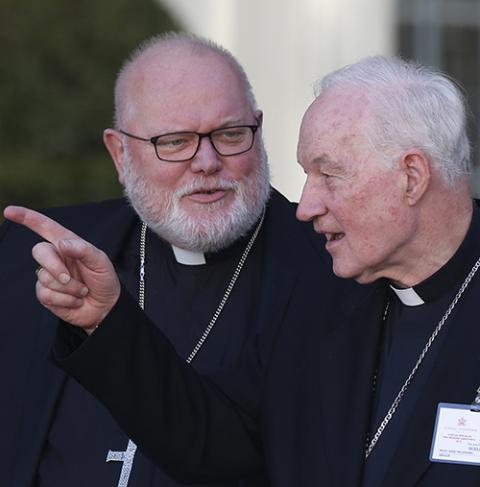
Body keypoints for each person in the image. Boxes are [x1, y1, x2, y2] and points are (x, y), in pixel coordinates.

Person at [9, 55, 476, 486]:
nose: (305, 206)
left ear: (411, 177)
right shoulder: (326, 297)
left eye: (329, 175)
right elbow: (222, 450)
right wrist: (105, 320)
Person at [0, 32, 344, 487]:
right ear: (119, 153)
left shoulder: (331, 269)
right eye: (175, 141)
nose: (206, 161)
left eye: (229, 134)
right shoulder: (38, 257)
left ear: (258, 131)